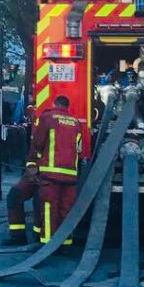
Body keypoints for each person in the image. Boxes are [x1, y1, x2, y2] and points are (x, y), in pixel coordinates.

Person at [29, 94, 89, 246]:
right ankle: (65, 243)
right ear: (67, 107)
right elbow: (79, 150)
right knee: (66, 210)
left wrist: (33, 163)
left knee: (50, 209)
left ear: (55, 104)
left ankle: (48, 245)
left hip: (50, 173)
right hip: (70, 175)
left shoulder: (48, 117)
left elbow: (38, 142)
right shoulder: (75, 122)